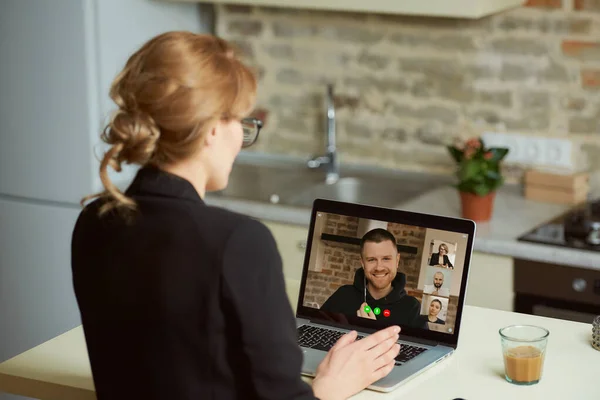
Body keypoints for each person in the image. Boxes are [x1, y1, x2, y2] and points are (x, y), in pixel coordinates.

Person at [70, 32, 401, 400]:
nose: (241, 140)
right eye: (242, 123)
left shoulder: (94, 222)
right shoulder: (238, 242)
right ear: (212, 127)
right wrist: (330, 387)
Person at [320, 228, 425, 329]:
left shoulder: (411, 307)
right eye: (371, 260)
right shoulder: (343, 295)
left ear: (397, 260)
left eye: (386, 259)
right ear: (362, 263)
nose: (379, 267)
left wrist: (371, 330)